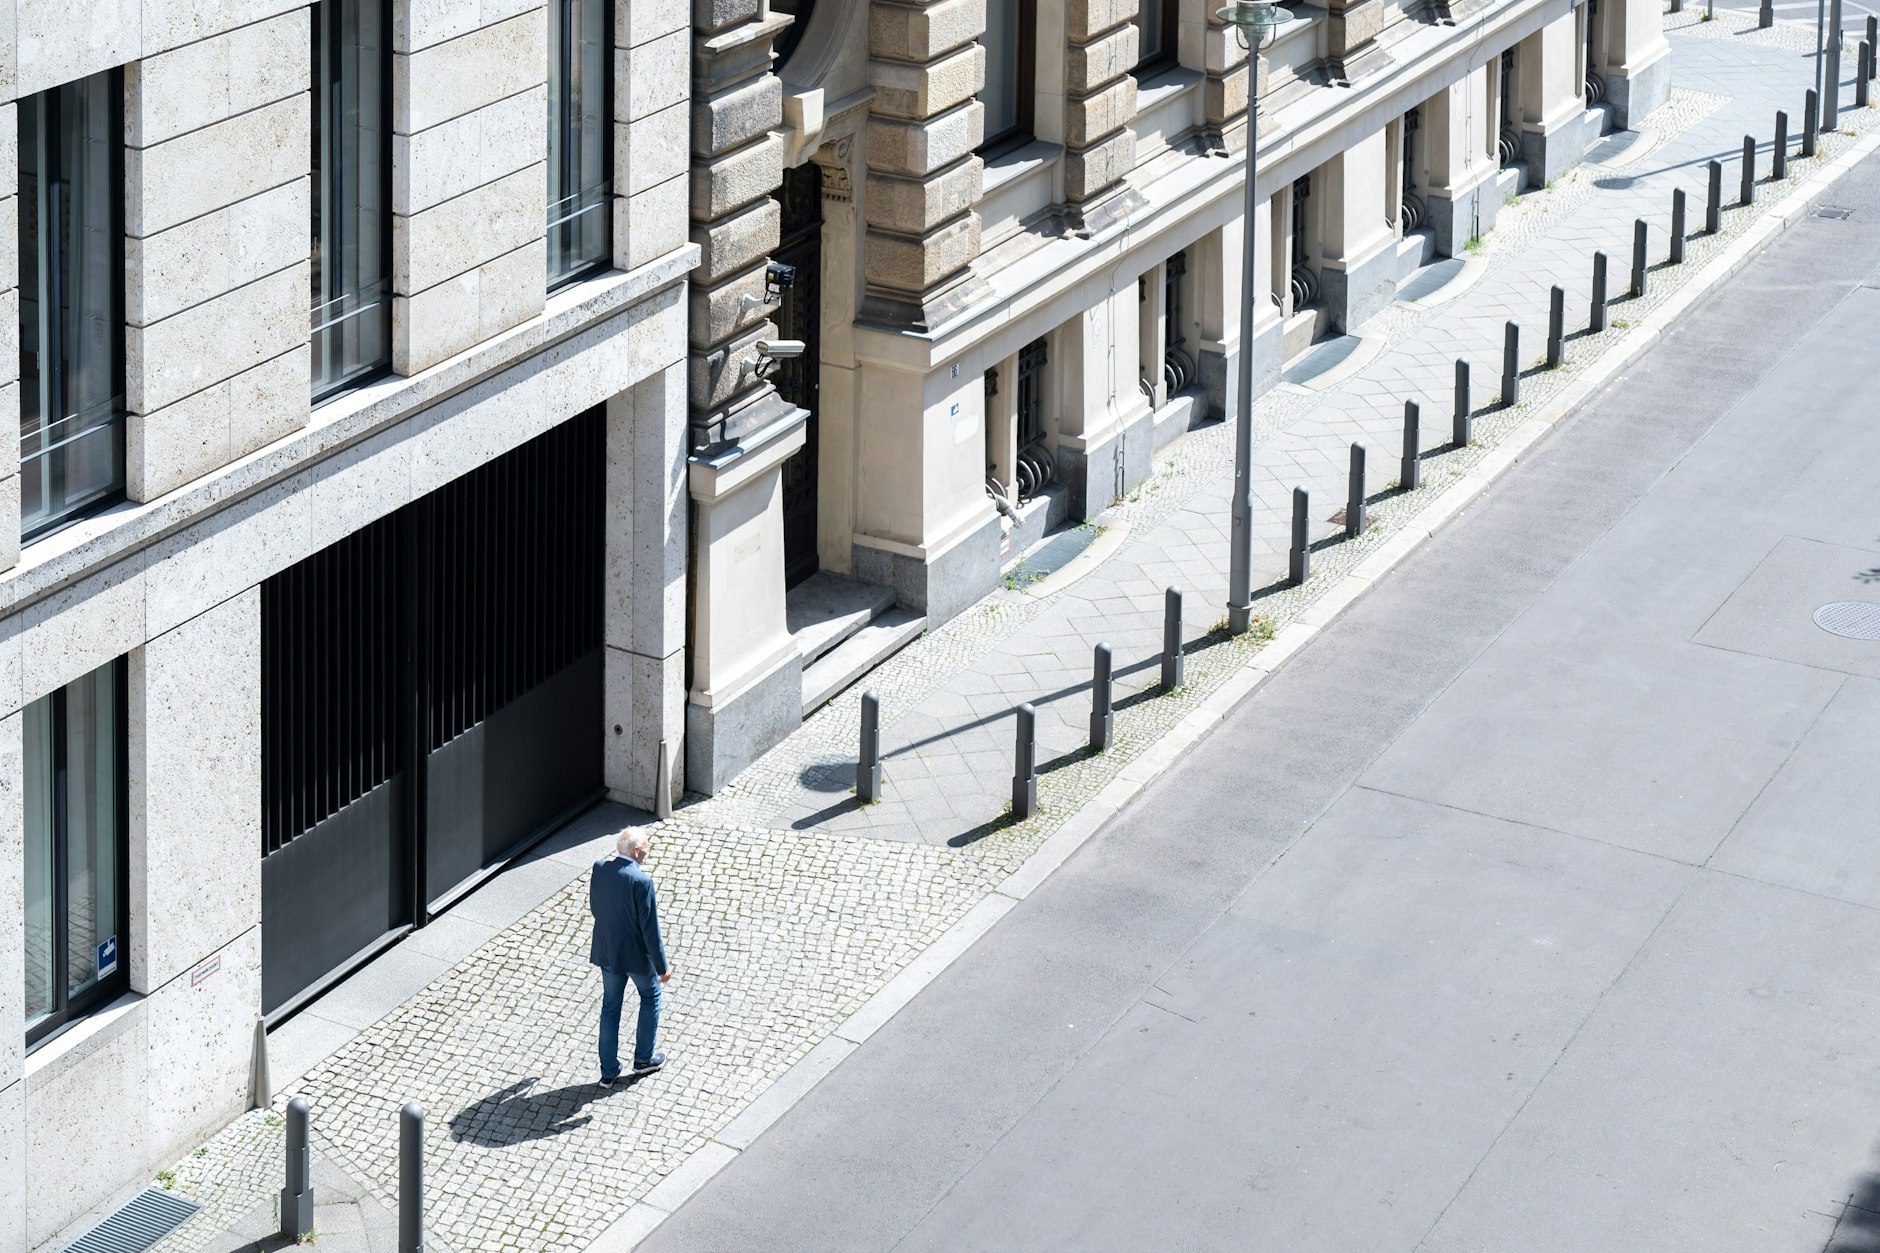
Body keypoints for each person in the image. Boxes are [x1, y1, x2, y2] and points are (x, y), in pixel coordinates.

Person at [590, 829, 672, 1085]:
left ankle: (608, 1070)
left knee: (610, 1007)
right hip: (636, 957)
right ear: (636, 851)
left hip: (608, 952)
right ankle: (643, 1059)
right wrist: (662, 967)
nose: (648, 851)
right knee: (651, 996)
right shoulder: (642, 882)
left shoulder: (600, 869)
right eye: (646, 846)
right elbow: (651, 931)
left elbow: (596, 907)